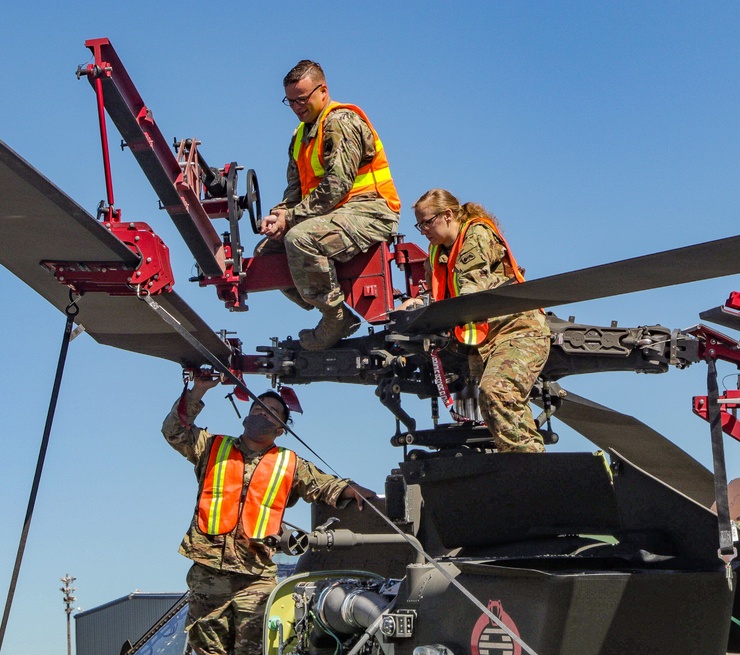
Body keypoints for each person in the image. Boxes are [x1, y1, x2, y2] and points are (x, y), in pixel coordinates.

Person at [162, 375, 375, 655]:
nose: (263, 412)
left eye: (272, 411)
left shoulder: (290, 463)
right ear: (247, 415)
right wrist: (199, 390)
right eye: (258, 407)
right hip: (208, 573)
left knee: (255, 650)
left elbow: (324, 485)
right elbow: (174, 431)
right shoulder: (212, 447)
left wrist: (353, 490)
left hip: (256, 576)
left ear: (281, 428)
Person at [259, 59, 400, 350]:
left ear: (323, 91)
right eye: (290, 101)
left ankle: (333, 316)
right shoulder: (299, 137)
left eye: (303, 99)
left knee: (300, 238)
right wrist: (280, 214)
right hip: (333, 213)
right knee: (265, 254)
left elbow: (337, 185)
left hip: (371, 211)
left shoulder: (340, 122)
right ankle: (337, 311)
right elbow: (295, 191)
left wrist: (292, 218)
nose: (297, 107)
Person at [401, 188, 550, 453]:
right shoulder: (437, 252)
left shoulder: (476, 234)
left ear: (448, 215)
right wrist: (417, 303)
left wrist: (429, 308)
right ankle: (522, 467)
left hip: (517, 330)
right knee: (492, 407)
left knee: (497, 393)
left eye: (427, 222)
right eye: (419, 225)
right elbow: (439, 289)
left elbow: (472, 288)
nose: (423, 230)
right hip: (484, 341)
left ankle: (532, 467)